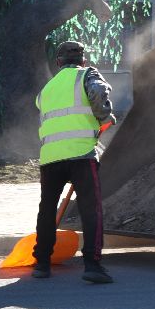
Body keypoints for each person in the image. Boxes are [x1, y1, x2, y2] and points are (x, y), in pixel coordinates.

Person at [32, 40, 116, 284]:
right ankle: (92, 265)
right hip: (81, 154)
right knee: (91, 209)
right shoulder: (86, 75)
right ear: (83, 61)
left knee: (47, 209)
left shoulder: (47, 88)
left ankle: (42, 263)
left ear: (58, 63)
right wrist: (105, 118)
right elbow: (99, 92)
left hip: (50, 156)